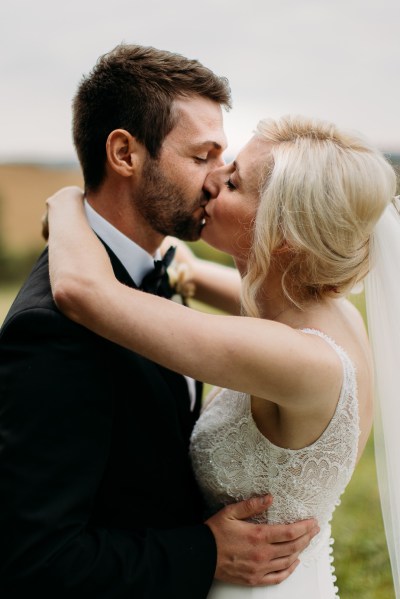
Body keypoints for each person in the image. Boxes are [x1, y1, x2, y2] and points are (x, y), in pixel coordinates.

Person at [0, 45, 317, 599]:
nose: (217, 181)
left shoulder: (154, 272)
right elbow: (35, 559)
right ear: (124, 153)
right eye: (202, 157)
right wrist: (204, 551)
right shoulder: (53, 333)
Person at [44, 113, 400, 598]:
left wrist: (69, 201)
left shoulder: (296, 358)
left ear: (283, 234)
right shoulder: (317, 311)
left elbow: (81, 291)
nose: (212, 182)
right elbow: (190, 273)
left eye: (233, 182)